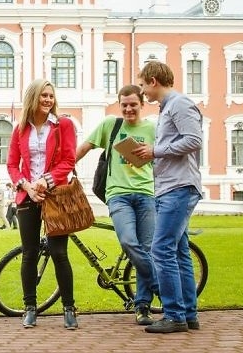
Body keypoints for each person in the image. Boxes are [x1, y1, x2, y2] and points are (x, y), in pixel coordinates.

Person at [76, 84, 158, 326]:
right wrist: (60, 169)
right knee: (128, 241)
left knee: (146, 248)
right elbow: (84, 148)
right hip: (118, 195)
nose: (129, 109)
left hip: (146, 194)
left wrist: (152, 153)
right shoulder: (110, 125)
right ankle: (161, 285)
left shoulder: (153, 128)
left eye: (133, 104)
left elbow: (166, 155)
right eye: (124, 105)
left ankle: (142, 306)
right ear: (119, 105)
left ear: (142, 104)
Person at [135, 61, 204, 333]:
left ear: (153, 81)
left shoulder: (179, 104)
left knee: (161, 249)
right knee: (178, 251)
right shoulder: (167, 108)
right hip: (170, 187)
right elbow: (174, 145)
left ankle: (175, 315)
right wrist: (149, 155)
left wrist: (156, 151)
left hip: (179, 187)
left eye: (142, 85)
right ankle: (188, 314)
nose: (142, 92)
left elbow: (194, 140)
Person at [7, 79, 78, 330]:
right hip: (28, 198)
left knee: (59, 253)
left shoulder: (64, 125)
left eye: (50, 96)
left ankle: (69, 308)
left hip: (55, 195)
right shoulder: (20, 130)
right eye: (43, 96)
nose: (48, 100)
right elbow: (12, 165)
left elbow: (69, 160)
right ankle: (30, 308)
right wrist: (26, 186)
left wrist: (45, 182)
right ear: (33, 99)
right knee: (29, 253)